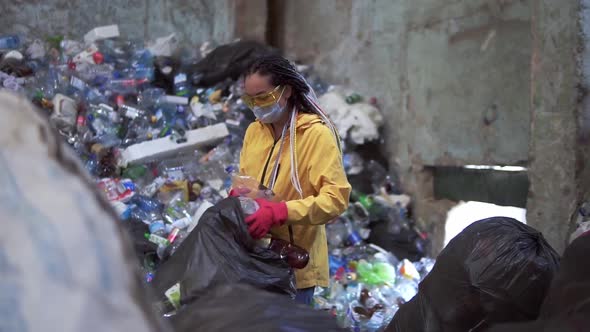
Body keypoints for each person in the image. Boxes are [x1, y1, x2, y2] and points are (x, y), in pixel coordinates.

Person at [236, 54, 351, 305]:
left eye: (264, 97)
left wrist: (280, 212)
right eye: (249, 99)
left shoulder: (315, 135)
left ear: (286, 91)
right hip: (256, 259)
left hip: (295, 267)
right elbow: (247, 179)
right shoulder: (254, 132)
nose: (257, 106)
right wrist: (239, 197)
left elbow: (335, 200)